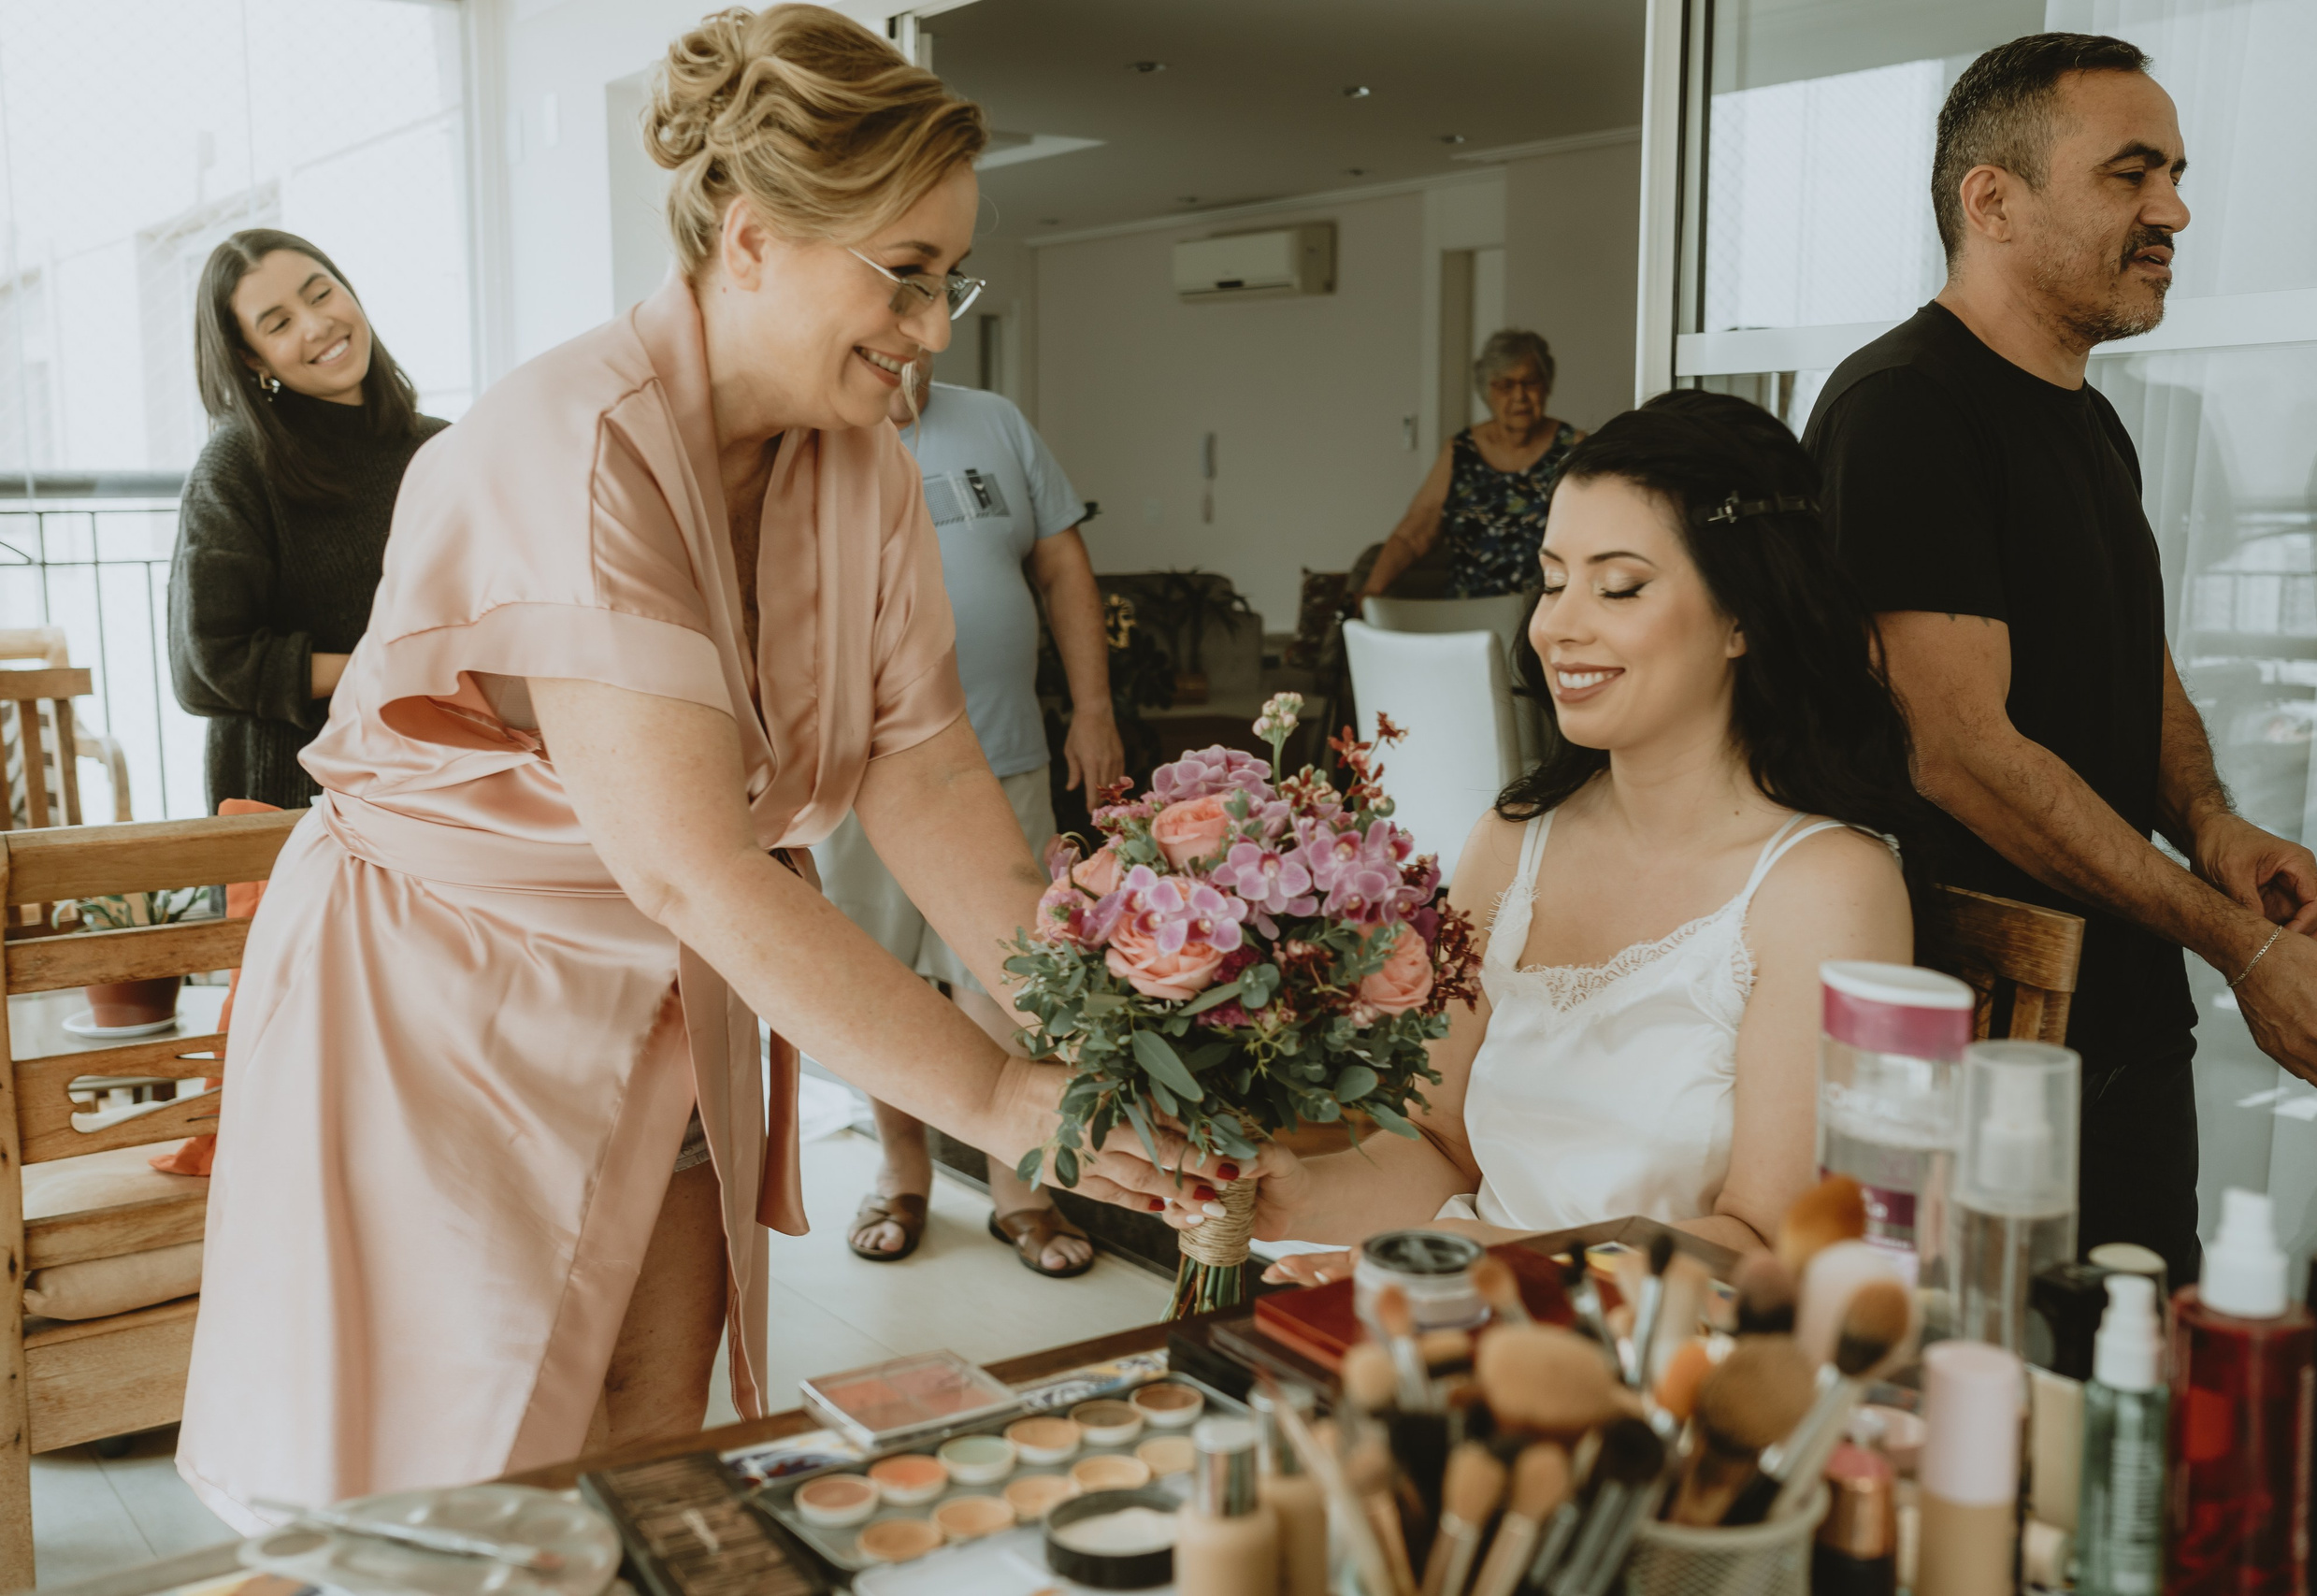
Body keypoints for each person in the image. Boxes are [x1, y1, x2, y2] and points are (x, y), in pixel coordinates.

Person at [174, 5, 1150, 1526]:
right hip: (445, 996)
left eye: (952, 278)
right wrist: (1010, 1101)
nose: (932, 328)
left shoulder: (867, 469)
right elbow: (689, 857)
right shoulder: (576, 447)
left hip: (678, 975)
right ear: (751, 236)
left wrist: (1104, 1042)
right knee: (458, 1480)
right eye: (903, 273)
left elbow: (935, 777)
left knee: (653, 1425)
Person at [1090, 392, 1945, 1263]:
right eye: (1553, 579)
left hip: (1666, 1352)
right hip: (1467, 1324)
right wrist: (1293, 1196)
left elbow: (1760, 1244)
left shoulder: (1826, 887)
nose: (1558, 626)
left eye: (1618, 586)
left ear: (1742, 616)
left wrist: (1448, 1272)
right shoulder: (1513, 842)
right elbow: (1440, 1148)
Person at [1802, 33, 2317, 1287]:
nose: (2174, 208)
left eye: (2174, 173)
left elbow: (2129, 648)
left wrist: (2212, 819)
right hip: (1984, 1042)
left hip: (2122, 1017)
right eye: (2132, 174)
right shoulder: (1905, 409)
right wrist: (2243, 942)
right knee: (1999, 1422)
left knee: (2132, 1388)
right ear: (1994, 200)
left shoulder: (2089, 417)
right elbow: (1959, 750)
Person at [823, 353, 1123, 1276]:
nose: (909, 334)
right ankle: (901, 1170)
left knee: (1010, 981)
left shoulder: (994, 421)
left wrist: (1093, 707)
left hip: (1004, 756)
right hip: (856, 773)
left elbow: (1064, 567)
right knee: (881, 982)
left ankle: (1018, 1189)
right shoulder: (811, 431)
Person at [168, 231, 447, 811]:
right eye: (278, 323)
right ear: (251, 358)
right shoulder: (237, 466)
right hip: (296, 797)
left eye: (320, 295)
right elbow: (211, 666)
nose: (316, 325)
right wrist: (397, 672)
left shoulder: (445, 447)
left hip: (442, 771)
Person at [1362, 329, 1580, 598]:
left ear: (1546, 385)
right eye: (1505, 385)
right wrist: (1371, 590)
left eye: (1530, 382)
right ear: (1486, 391)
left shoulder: (1575, 447)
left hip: (1543, 611)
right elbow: (1415, 532)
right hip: (1466, 612)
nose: (1519, 395)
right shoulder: (1461, 450)